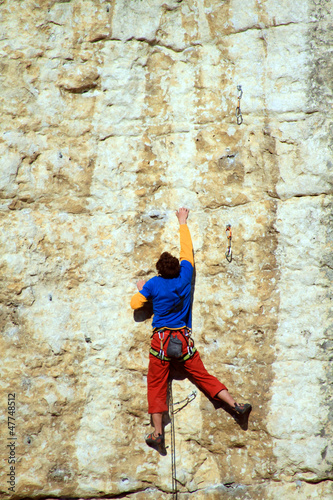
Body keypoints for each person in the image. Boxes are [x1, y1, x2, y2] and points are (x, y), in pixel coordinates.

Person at [130, 208, 251, 452]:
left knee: (156, 386)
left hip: (161, 344)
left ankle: (157, 433)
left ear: (159, 271)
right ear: (177, 267)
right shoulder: (185, 276)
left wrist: (143, 290)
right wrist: (182, 221)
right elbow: (187, 250)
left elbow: (135, 305)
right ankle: (235, 405)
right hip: (183, 342)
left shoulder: (154, 284)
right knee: (203, 376)